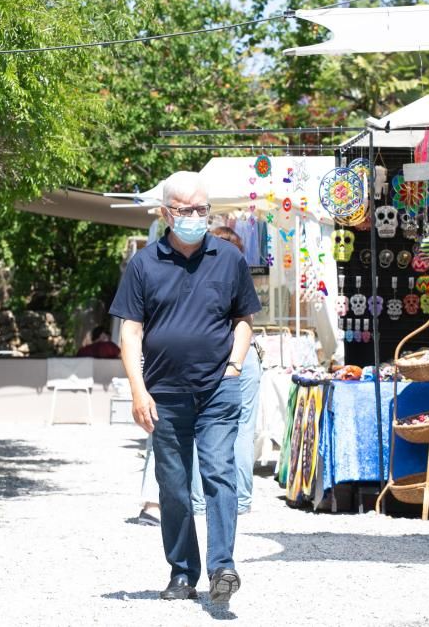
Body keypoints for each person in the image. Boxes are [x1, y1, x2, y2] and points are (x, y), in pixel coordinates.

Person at [109, 171, 261, 604]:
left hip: (217, 388)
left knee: (218, 473)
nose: (196, 216)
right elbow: (131, 332)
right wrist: (138, 390)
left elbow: (244, 321)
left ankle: (222, 567)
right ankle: (181, 572)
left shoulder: (228, 259)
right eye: (186, 210)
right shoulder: (143, 264)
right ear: (166, 213)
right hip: (165, 393)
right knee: (173, 485)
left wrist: (233, 368)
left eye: (201, 209)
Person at [209, 226, 263, 515]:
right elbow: (248, 319)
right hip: (245, 357)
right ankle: (241, 500)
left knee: (201, 431)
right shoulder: (240, 274)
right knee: (243, 430)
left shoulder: (204, 276)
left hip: (215, 356)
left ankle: (202, 500)